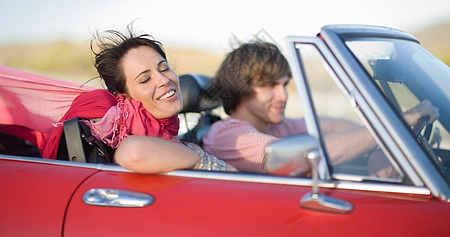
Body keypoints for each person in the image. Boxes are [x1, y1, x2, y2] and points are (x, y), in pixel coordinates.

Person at [202, 39, 439, 174]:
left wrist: (376, 144)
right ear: (240, 89)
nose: (283, 95)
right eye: (270, 85)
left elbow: (330, 125)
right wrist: (397, 124)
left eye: (284, 84)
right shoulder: (228, 135)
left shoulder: (275, 128)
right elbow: (297, 156)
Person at [43, 26, 235, 173]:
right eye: (145, 79)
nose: (163, 80)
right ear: (124, 97)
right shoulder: (129, 139)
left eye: (164, 68)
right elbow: (133, 153)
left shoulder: (180, 143)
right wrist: (202, 161)